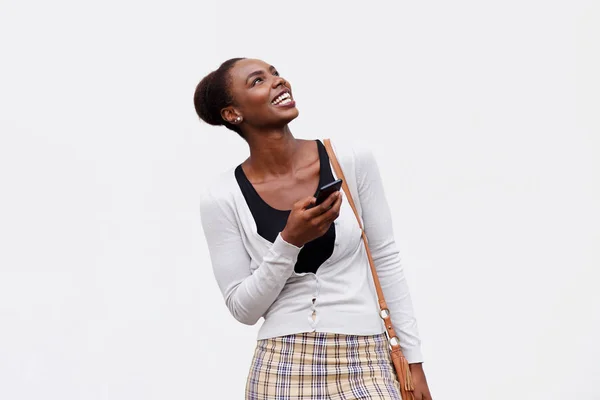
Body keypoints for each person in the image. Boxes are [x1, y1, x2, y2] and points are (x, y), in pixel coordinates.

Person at [194, 57, 433, 400]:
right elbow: (242, 309)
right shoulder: (221, 197)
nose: (279, 81)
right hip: (281, 365)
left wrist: (414, 361)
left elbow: (385, 257)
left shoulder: (350, 159)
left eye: (275, 73)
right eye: (258, 81)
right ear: (233, 113)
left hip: (365, 357)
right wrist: (289, 241)